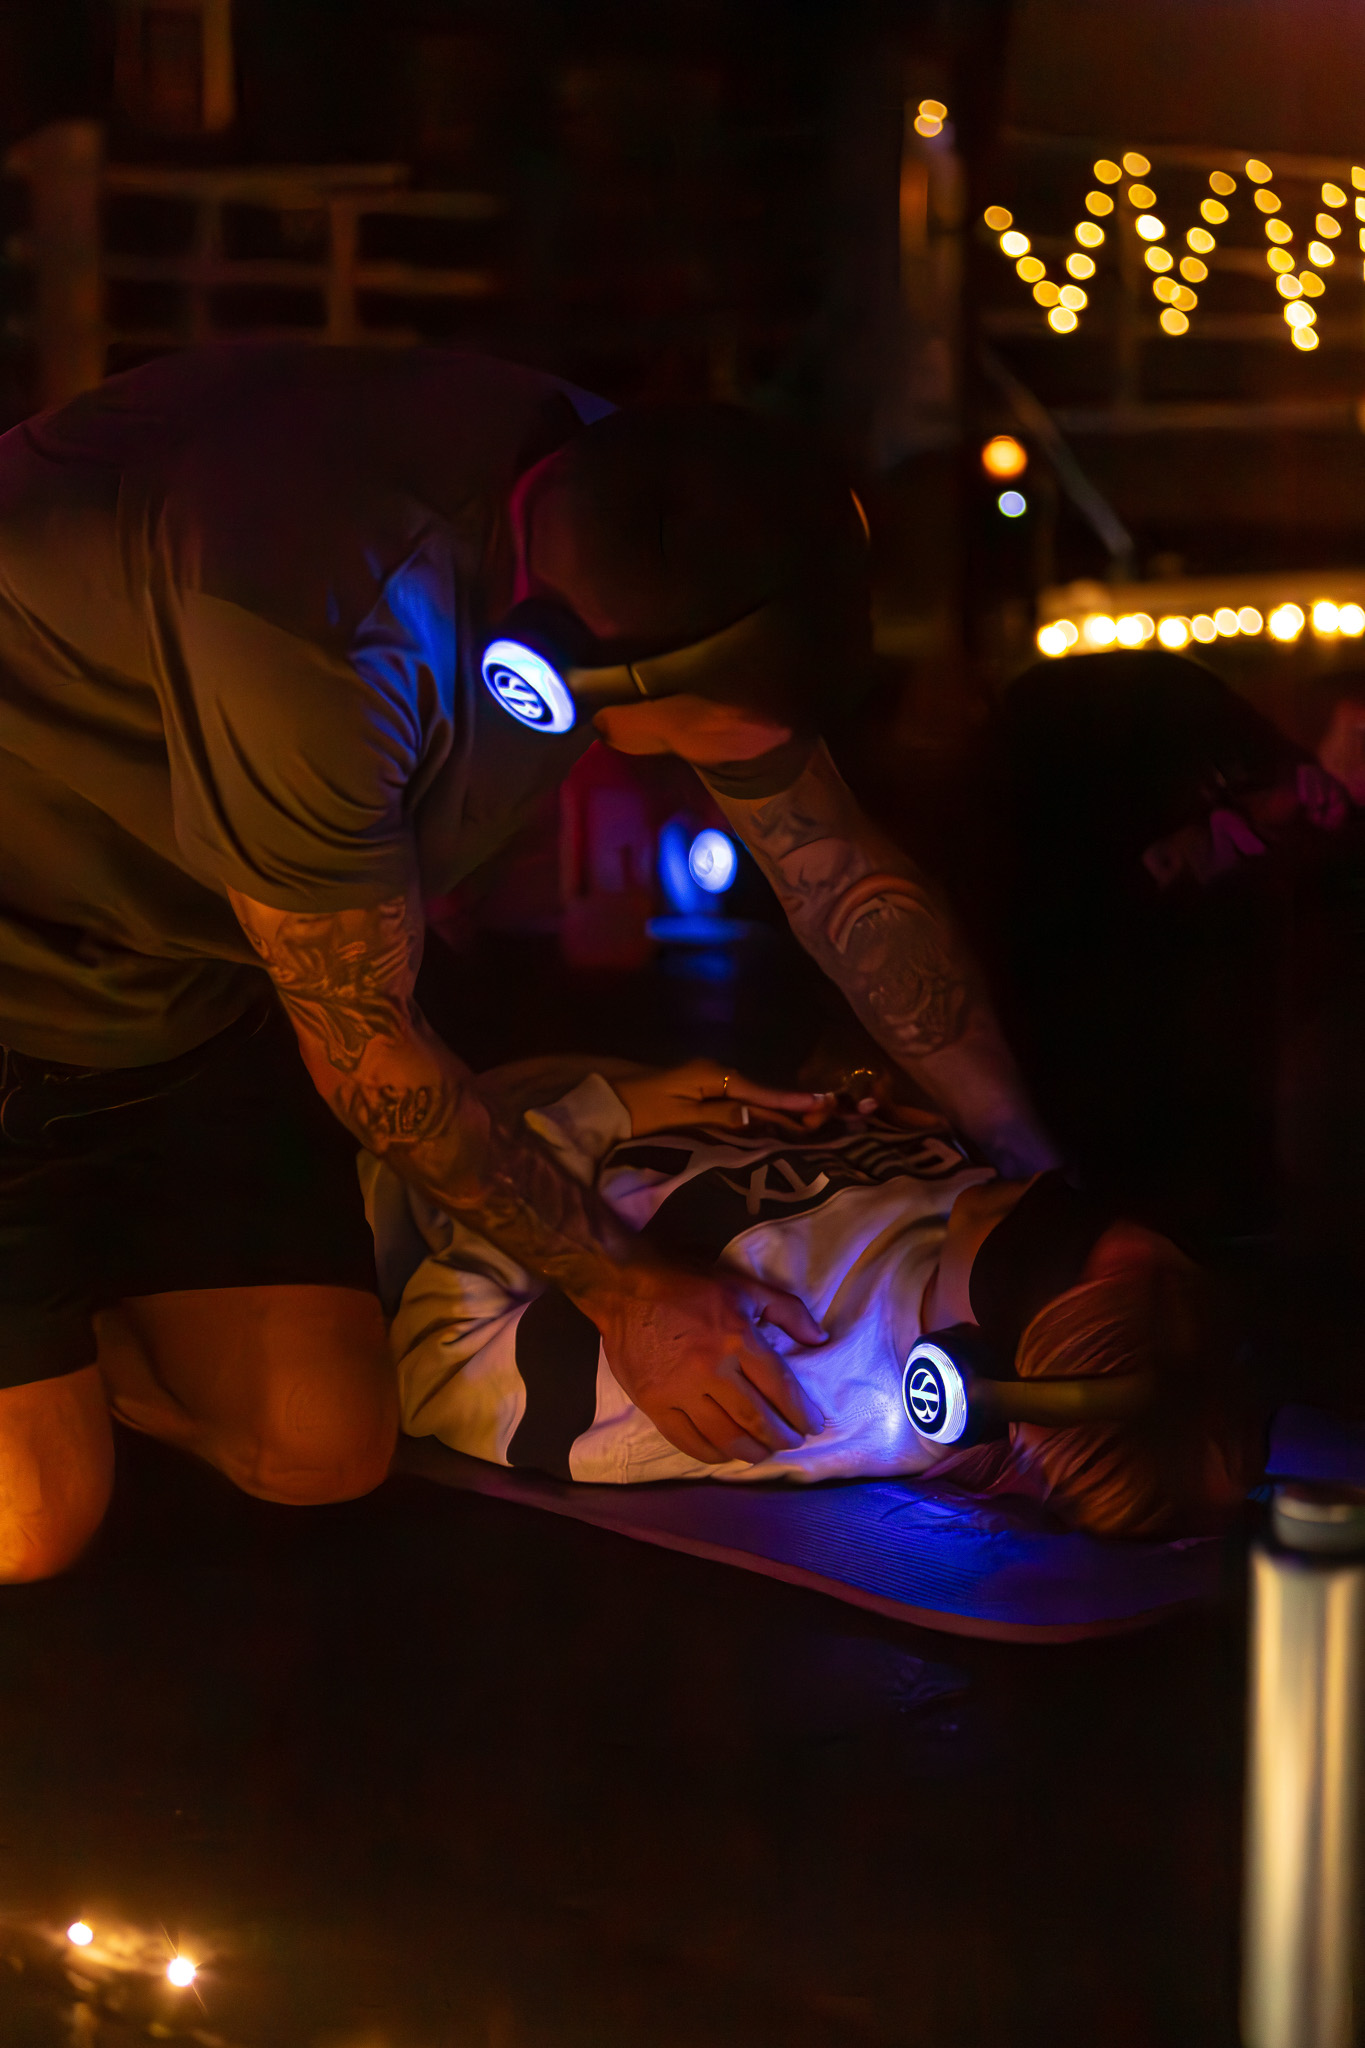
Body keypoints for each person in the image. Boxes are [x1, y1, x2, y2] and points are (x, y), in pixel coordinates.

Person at [0, 344, 1055, 1580]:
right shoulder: (325, 636)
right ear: (564, 666)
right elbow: (369, 1053)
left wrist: (1029, 1154)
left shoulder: (648, 513)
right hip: (20, 980)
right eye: (698, 739)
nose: (728, 774)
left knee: (321, 1444)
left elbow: (832, 866)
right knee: (30, 1518)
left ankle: (74, 1311)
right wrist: (631, 1291)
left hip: (188, 985)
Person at [376, 1057, 1251, 1537]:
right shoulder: (967, 1218)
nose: (1033, 1191)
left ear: (962, 1379)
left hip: (431, 1119)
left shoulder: (760, 1383)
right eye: (1085, 1208)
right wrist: (846, 1097)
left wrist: (604, 1112)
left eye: (1042, 1246)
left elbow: (434, 1358)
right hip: (564, 1069)